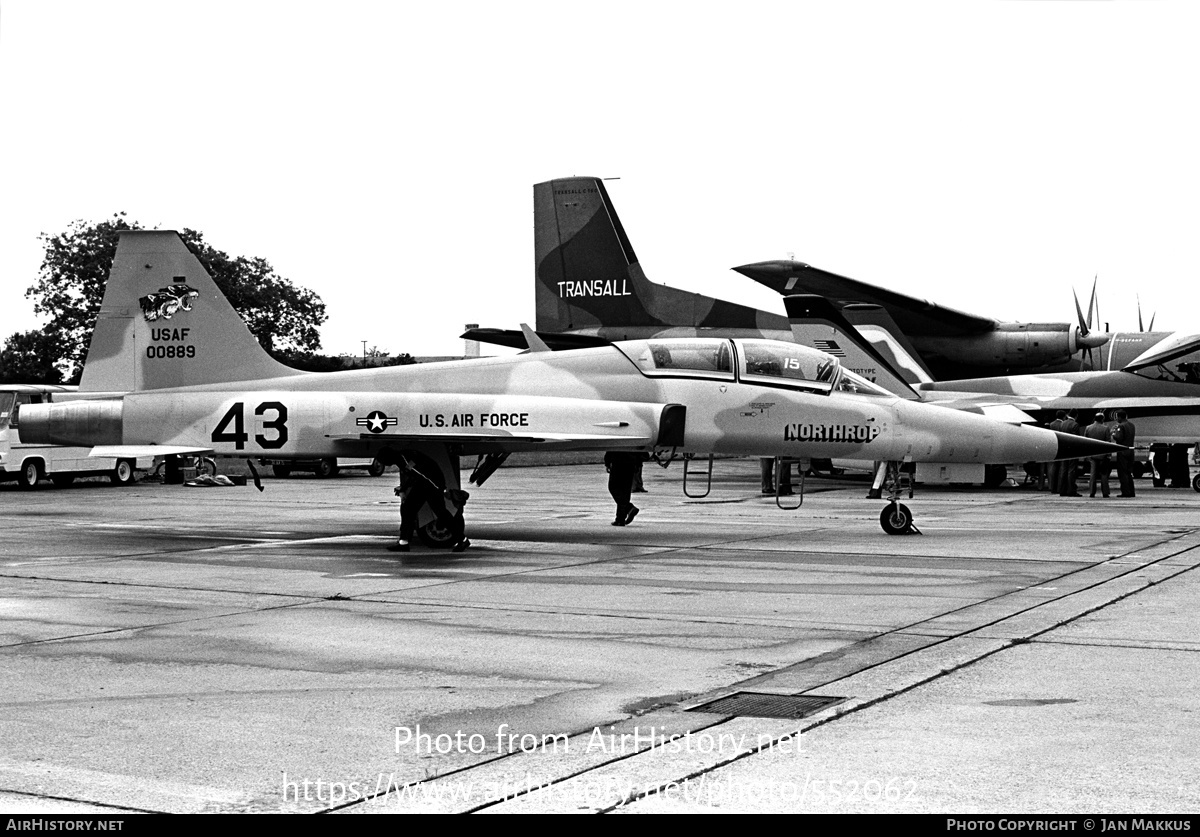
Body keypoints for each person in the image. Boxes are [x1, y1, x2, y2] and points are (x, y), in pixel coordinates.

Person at [386, 453, 469, 552]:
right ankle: (403, 542)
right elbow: (416, 475)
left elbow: (420, 475)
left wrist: (440, 490)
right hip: (426, 484)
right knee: (408, 509)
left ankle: (462, 539)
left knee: (439, 513)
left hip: (430, 485)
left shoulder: (404, 459)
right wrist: (403, 488)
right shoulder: (403, 457)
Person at [604, 451, 646, 525]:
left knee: (613, 487)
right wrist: (638, 463)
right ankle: (620, 518)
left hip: (618, 460)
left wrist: (607, 461)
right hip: (631, 461)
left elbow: (613, 446)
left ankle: (628, 507)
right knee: (625, 490)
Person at [1084, 412, 1111, 498]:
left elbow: (1085, 442)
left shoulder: (1088, 428)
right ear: (1102, 419)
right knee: (1104, 474)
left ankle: (1092, 492)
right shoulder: (1106, 428)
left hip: (1092, 455)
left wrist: (1087, 455)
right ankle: (1105, 492)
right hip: (1103, 455)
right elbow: (1108, 442)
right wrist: (1108, 455)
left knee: (1093, 474)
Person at [1110, 410, 1137, 497]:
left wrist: (1113, 433)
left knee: (1122, 473)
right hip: (1130, 451)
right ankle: (1131, 491)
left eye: (1117, 417)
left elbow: (1119, 438)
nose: (1116, 419)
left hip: (1122, 451)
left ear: (1120, 417)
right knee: (1129, 472)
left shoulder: (1121, 426)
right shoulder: (1132, 425)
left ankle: (1125, 492)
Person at [1057, 411, 1083, 496]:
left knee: (1063, 470)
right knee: (1071, 470)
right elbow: (1077, 439)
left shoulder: (1062, 424)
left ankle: (1062, 490)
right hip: (1072, 450)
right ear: (1076, 415)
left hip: (1063, 449)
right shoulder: (1075, 424)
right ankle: (1071, 490)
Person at [1045, 411, 1066, 493]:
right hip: (1061, 447)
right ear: (1063, 416)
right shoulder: (1063, 424)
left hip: (1052, 447)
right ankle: (1059, 487)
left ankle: (1052, 486)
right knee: (1061, 469)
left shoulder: (1052, 424)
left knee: (1052, 469)